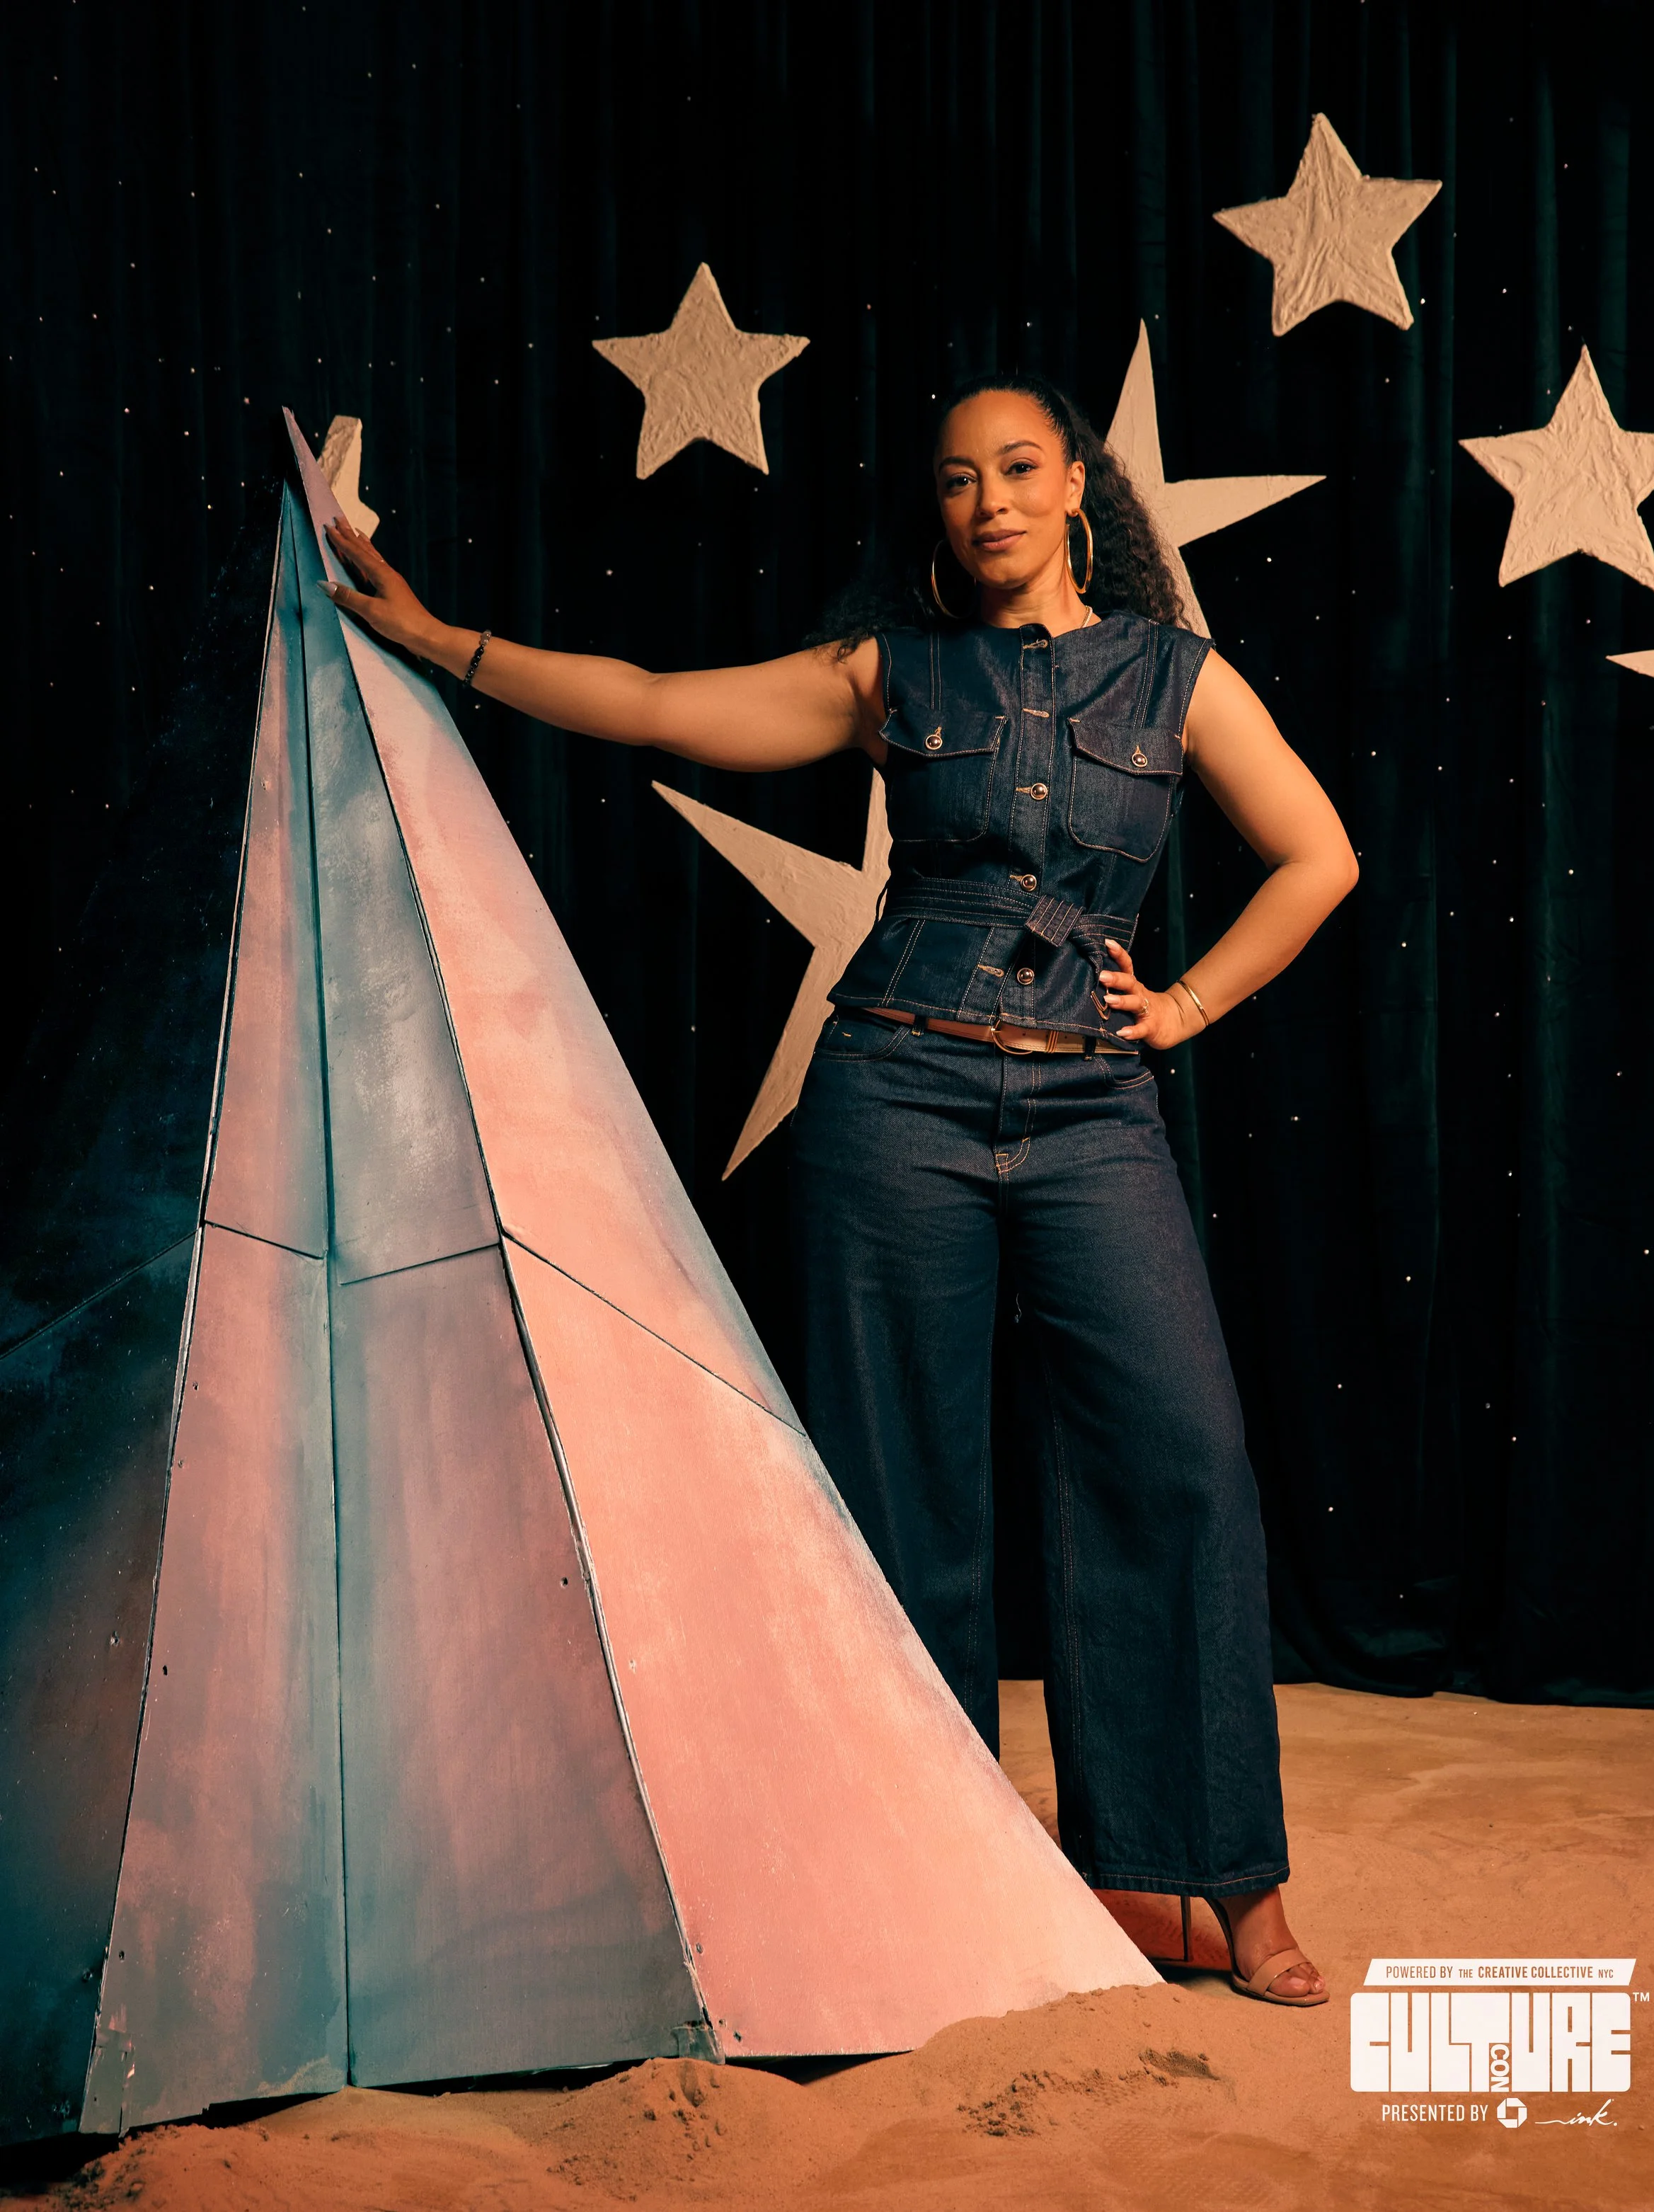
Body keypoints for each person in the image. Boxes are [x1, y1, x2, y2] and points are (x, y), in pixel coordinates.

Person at [321, 370, 1357, 2007]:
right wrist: (441, 637)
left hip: (1093, 1111)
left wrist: (1193, 1003)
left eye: (1018, 467)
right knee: (900, 1488)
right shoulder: (891, 669)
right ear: (934, 509)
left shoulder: (1177, 675)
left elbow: (1321, 852)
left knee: (1180, 1460)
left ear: (1076, 482)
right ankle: (927, 1872)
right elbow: (655, 700)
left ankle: (1211, 1877)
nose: (990, 500)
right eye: (956, 478)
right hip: (892, 1094)